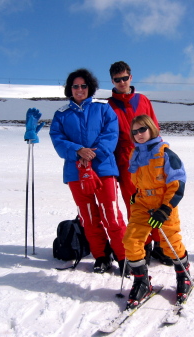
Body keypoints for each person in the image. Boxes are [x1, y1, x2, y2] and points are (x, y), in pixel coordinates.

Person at [49, 68, 128, 276]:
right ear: (70, 89)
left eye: (83, 85)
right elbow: (58, 139)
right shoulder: (61, 114)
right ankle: (101, 255)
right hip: (75, 173)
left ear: (90, 87)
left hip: (103, 169)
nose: (80, 89)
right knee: (88, 216)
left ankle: (124, 256)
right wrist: (78, 151)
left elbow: (111, 134)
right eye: (75, 86)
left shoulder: (103, 110)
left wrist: (92, 154)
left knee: (110, 213)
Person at [108, 61, 172, 266]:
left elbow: (154, 128)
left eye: (124, 78)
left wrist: (160, 154)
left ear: (131, 77)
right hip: (126, 160)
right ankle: (141, 246)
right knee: (134, 204)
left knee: (155, 198)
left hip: (150, 158)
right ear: (112, 81)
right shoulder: (109, 106)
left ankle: (160, 245)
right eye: (117, 80)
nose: (121, 82)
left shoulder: (142, 100)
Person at [123, 114, 191, 309]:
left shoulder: (166, 153)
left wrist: (165, 209)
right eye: (134, 132)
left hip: (164, 204)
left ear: (151, 128)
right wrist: (137, 194)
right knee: (131, 241)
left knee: (170, 245)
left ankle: (183, 274)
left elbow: (178, 184)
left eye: (142, 129)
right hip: (143, 204)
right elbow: (140, 180)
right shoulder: (134, 154)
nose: (139, 134)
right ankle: (142, 282)